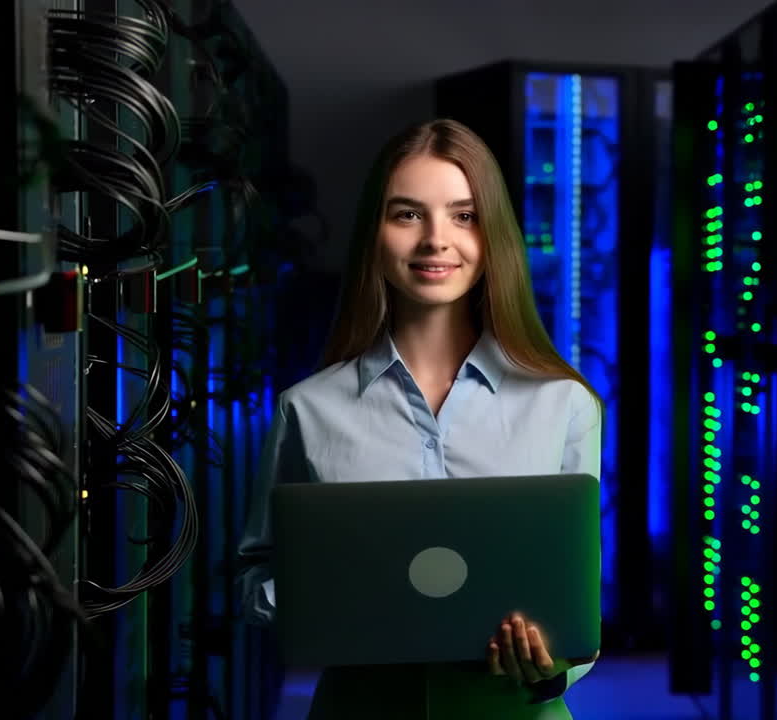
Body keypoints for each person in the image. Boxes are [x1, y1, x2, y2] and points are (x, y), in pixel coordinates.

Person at [236, 118, 602, 719]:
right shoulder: (307, 409)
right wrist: (328, 603)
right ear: (373, 234)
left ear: (495, 237)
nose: (437, 240)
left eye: (464, 216)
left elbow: (578, 596)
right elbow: (256, 575)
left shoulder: (564, 404)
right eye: (408, 214)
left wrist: (550, 668)